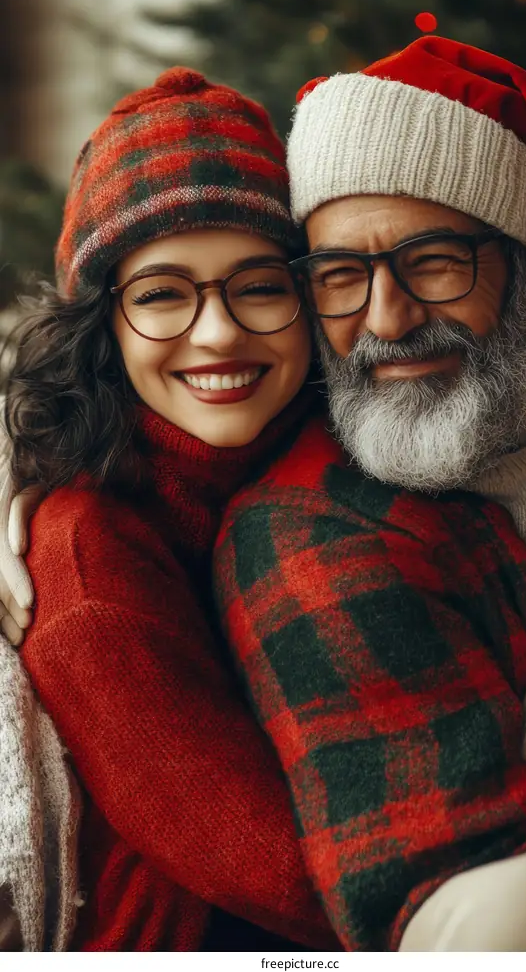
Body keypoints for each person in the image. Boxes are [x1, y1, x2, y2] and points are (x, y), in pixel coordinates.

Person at [210, 38, 526, 950]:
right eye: (341, 277)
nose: (385, 321)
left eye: (432, 263)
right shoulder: (303, 532)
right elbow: (486, 884)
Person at [0, 67, 339, 952]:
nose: (219, 331)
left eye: (259, 284)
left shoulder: (348, 468)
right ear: (101, 328)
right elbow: (273, 868)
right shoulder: (88, 554)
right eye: (161, 294)